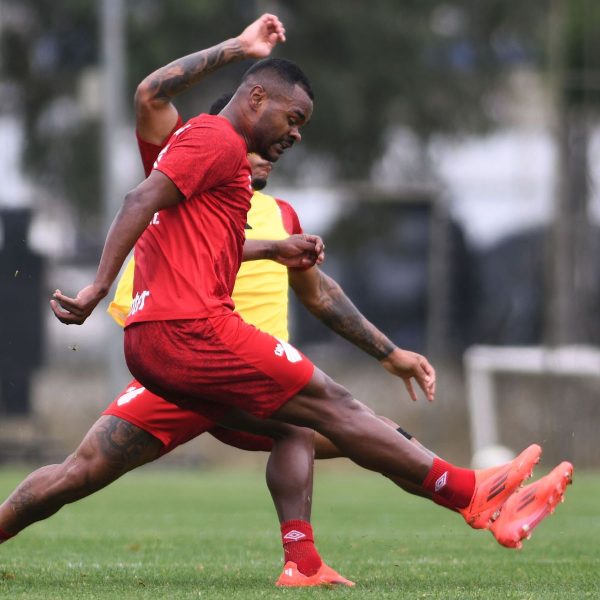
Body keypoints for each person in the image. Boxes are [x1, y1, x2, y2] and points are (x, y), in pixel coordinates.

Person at [47, 13, 572, 587]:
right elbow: (149, 110)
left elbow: (317, 292)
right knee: (336, 412)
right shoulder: (197, 145)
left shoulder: (259, 208)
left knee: (317, 424)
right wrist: (240, 47)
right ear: (251, 104)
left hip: (206, 359)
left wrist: (386, 350)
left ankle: (306, 562)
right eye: (288, 122)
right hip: (194, 340)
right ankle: (473, 491)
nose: (288, 142)